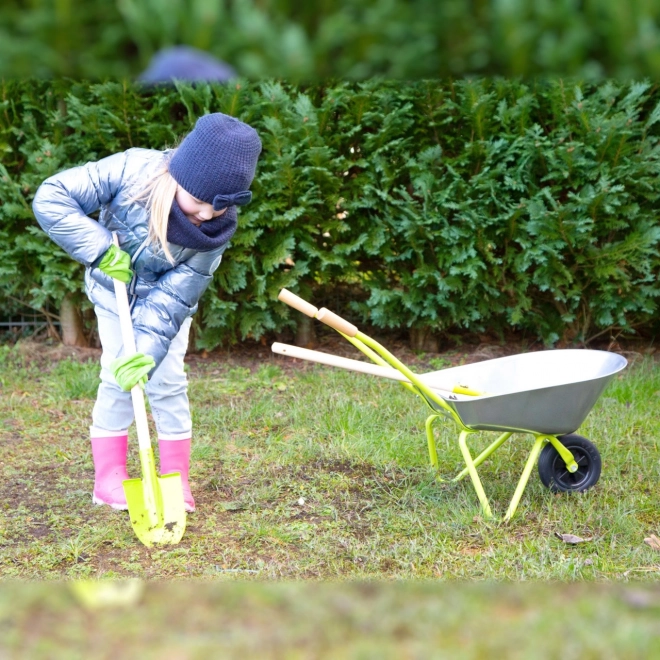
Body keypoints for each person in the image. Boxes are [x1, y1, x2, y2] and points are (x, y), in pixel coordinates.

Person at [32, 113, 262, 513]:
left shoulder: (213, 234)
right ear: (179, 178)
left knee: (167, 380)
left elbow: (175, 298)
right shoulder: (131, 170)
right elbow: (52, 197)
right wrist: (101, 248)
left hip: (166, 307)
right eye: (199, 202)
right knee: (117, 375)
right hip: (112, 294)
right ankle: (109, 479)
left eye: (217, 208)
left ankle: (176, 478)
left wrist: (148, 352)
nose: (207, 215)